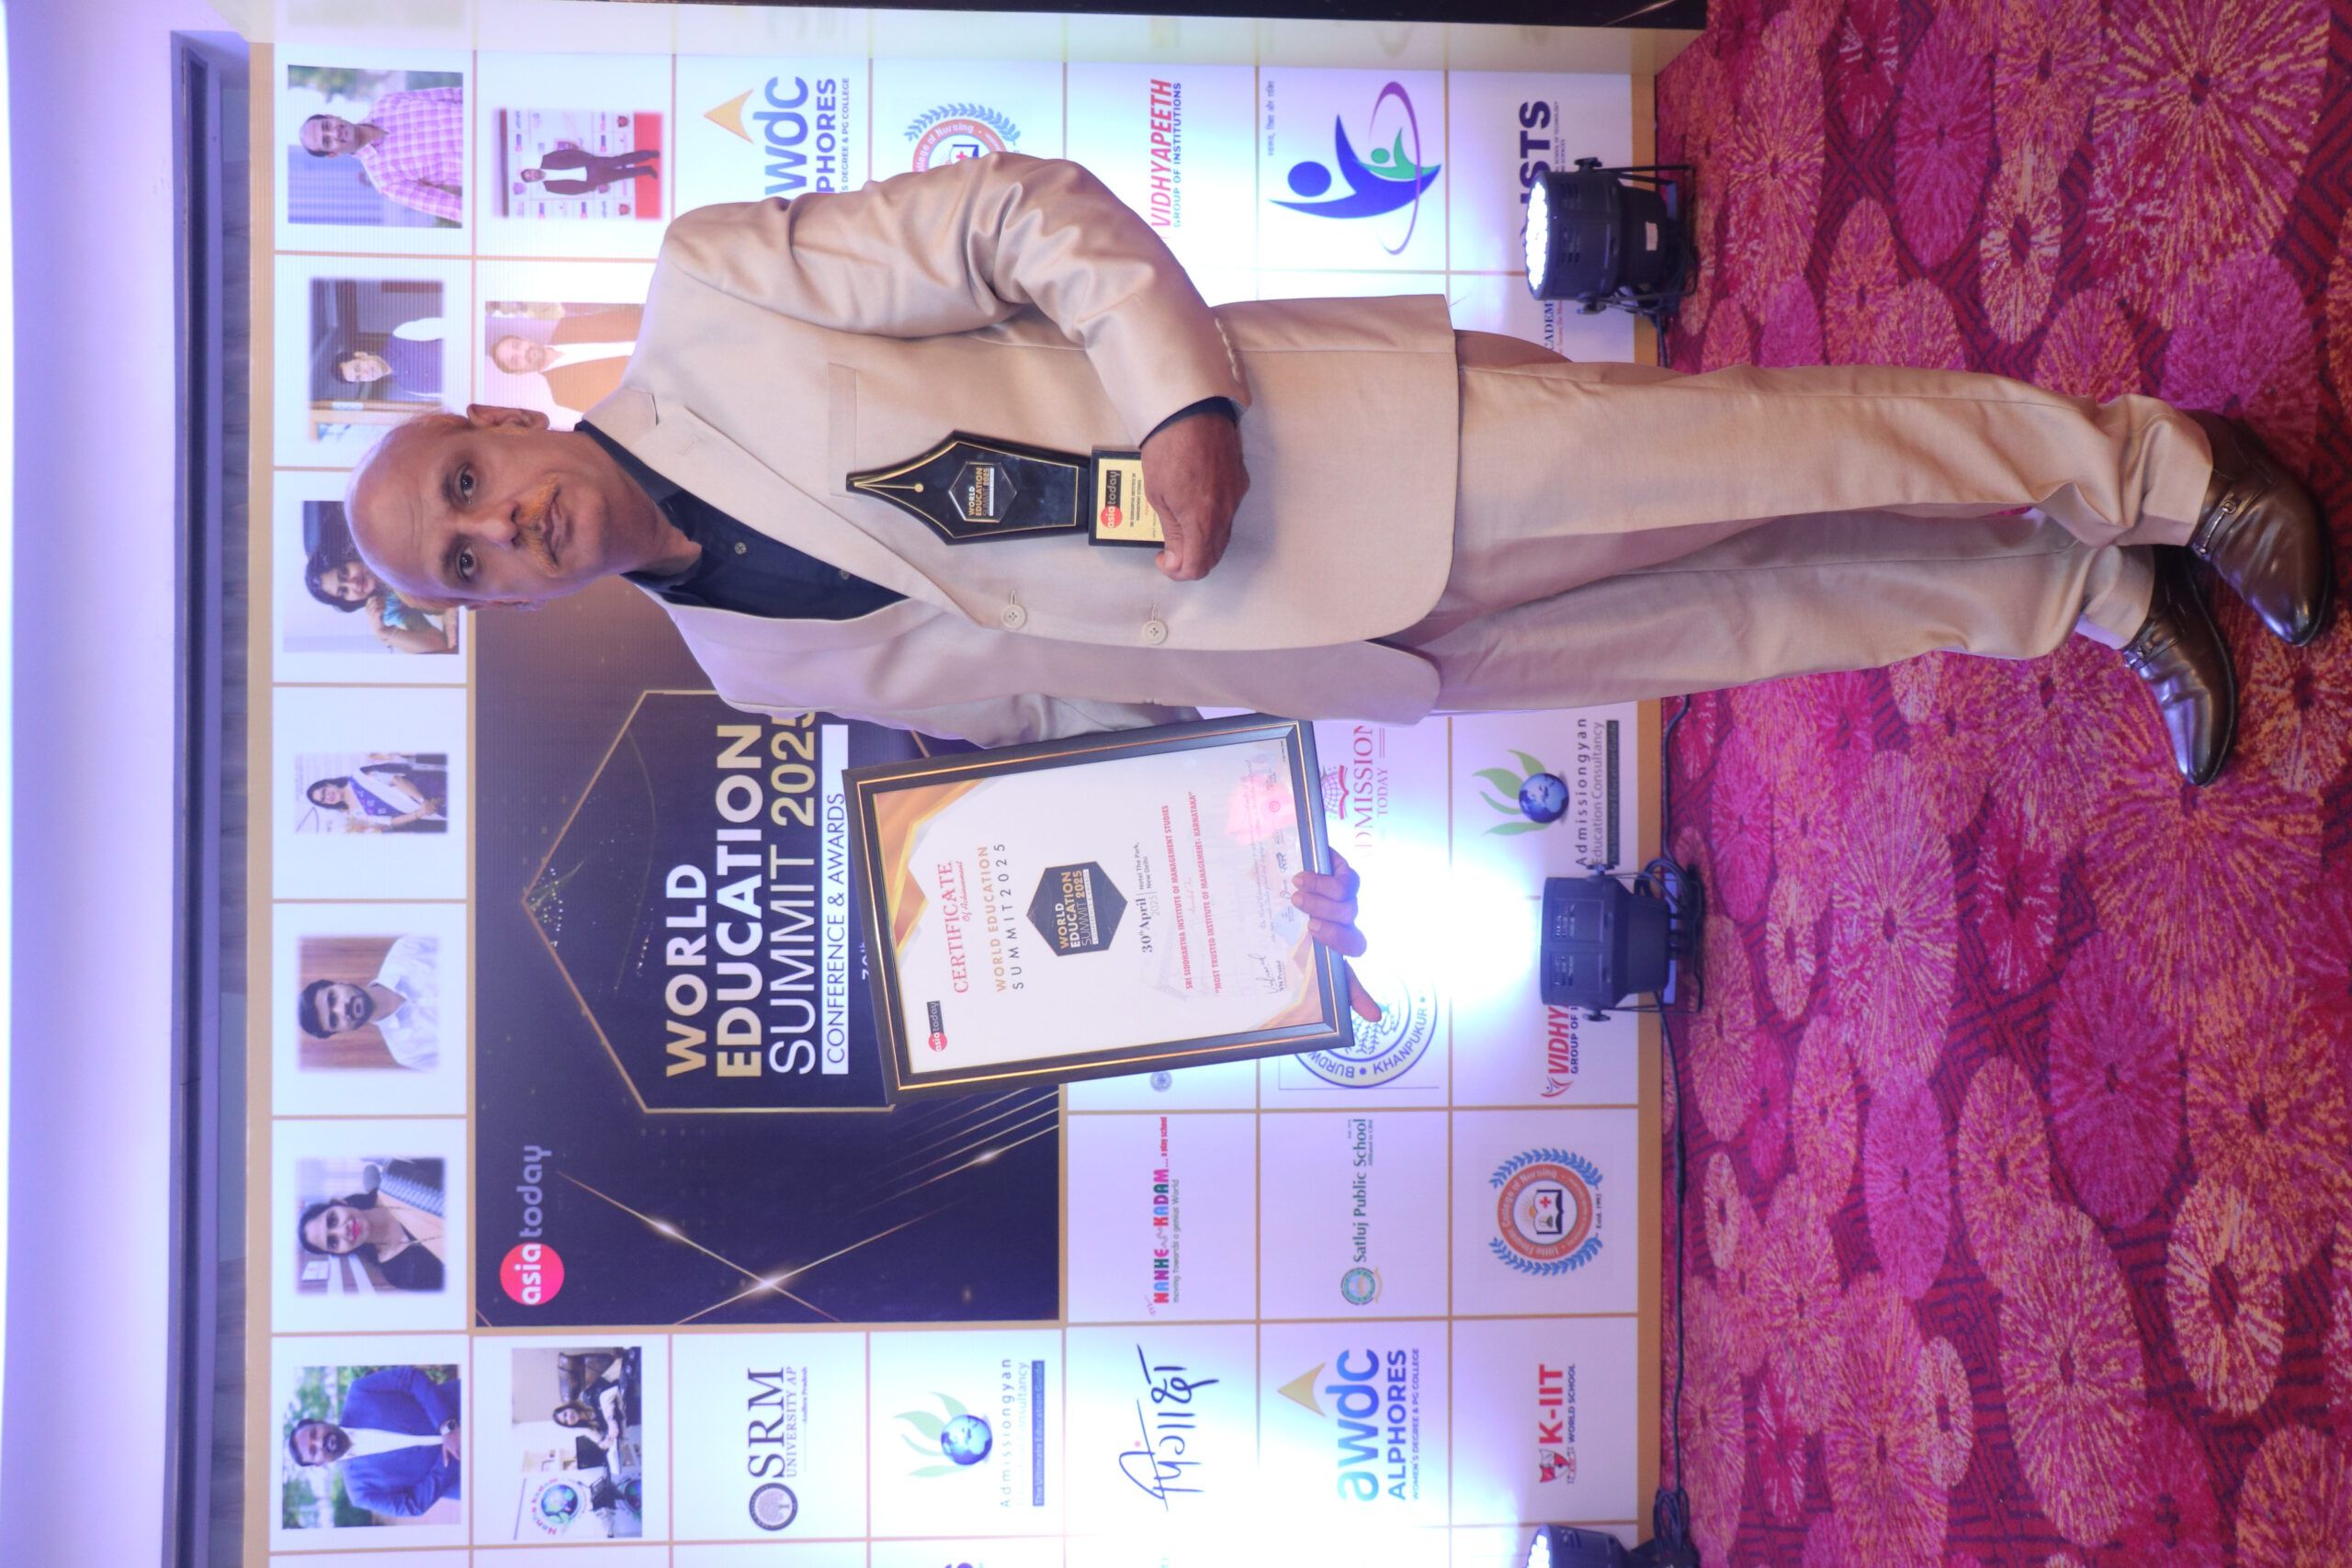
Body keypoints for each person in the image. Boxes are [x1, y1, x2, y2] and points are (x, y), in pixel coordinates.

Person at [344, 153, 2333, 824]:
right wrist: (1241, 854)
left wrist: (1174, 407)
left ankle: (2155, 469)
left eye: (468, 480)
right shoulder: (750, 667)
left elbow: (1015, 219)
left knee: (1775, 449)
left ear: (502, 416)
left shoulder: (711, 296)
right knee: (1746, 617)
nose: (497, 528)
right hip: (1338, 658)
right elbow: (1044, 708)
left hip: (1339, 452)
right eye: (465, 565)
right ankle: (2074, 595)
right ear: (494, 606)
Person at [285, 1365, 462, 1519]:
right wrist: (450, 1460)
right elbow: (412, 1505)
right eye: (313, 1451)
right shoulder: (360, 1493)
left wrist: (447, 1425)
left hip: (463, 1405)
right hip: (464, 1475)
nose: (320, 1443)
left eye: (315, 1433)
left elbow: (410, 1378)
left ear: (320, 1422)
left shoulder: (360, 1392)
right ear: (319, 1464)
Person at [300, 87, 465, 224]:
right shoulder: (387, 182)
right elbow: (455, 209)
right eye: (327, 141)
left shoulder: (388, 102)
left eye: (327, 126)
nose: (335, 133)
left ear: (332, 117)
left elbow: (456, 94)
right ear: (333, 154)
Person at [297, 1156, 447, 1292]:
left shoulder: (396, 1178)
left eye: (333, 1220)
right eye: (333, 1242)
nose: (342, 1232)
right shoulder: (400, 1274)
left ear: (339, 1202)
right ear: (340, 1253)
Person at [297, 933, 441, 1068]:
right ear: (342, 1031)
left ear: (341, 983)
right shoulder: (407, 1053)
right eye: (334, 1020)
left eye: (333, 998)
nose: (342, 1009)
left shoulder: (406, 949)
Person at [304, 533, 458, 654]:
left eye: (344, 572)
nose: (353, 584)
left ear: (347, 555)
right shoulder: (386, 608)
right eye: (344, 591)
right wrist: (383, 632)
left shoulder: (385, 543)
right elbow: (439, 645)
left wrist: (451, 606)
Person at [488, 304, 643, 418]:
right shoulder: (563, 395)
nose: (523, 352)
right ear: (519, 372)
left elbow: (624, 316)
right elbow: (621, 409)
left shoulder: (568, 325)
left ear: (524, 339)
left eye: (516, 345)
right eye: (515, 360)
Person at [307, 757, 447, 833]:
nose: (328, 797)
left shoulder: (359, 777)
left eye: (324, 792)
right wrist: (420, 813)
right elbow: (391, 821)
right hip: (429, 812)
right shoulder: (356, 814)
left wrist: (423, 801)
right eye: (323, 800)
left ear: (329, 784)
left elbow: (395, 779)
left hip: (430, 789)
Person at [334, 318, 446, 400]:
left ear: (361, 355)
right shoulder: (409, 387)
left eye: (358, 368)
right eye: (359, 378)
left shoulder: (402, 334)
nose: (365, 373)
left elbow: (453, 326)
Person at [523, 143, 660, 196]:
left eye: (530, 172)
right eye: (530, 178)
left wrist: (588, 157)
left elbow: (567, 153)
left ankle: (649, 154)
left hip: (592, 164)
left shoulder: (546, 160)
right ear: (533, 182)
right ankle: (647, 170)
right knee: (623, 175)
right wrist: (590, 187)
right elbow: (570, 191)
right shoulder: (549, 187)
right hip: (593, 180)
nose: (533, 175)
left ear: (531, 168)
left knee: (620, 160)